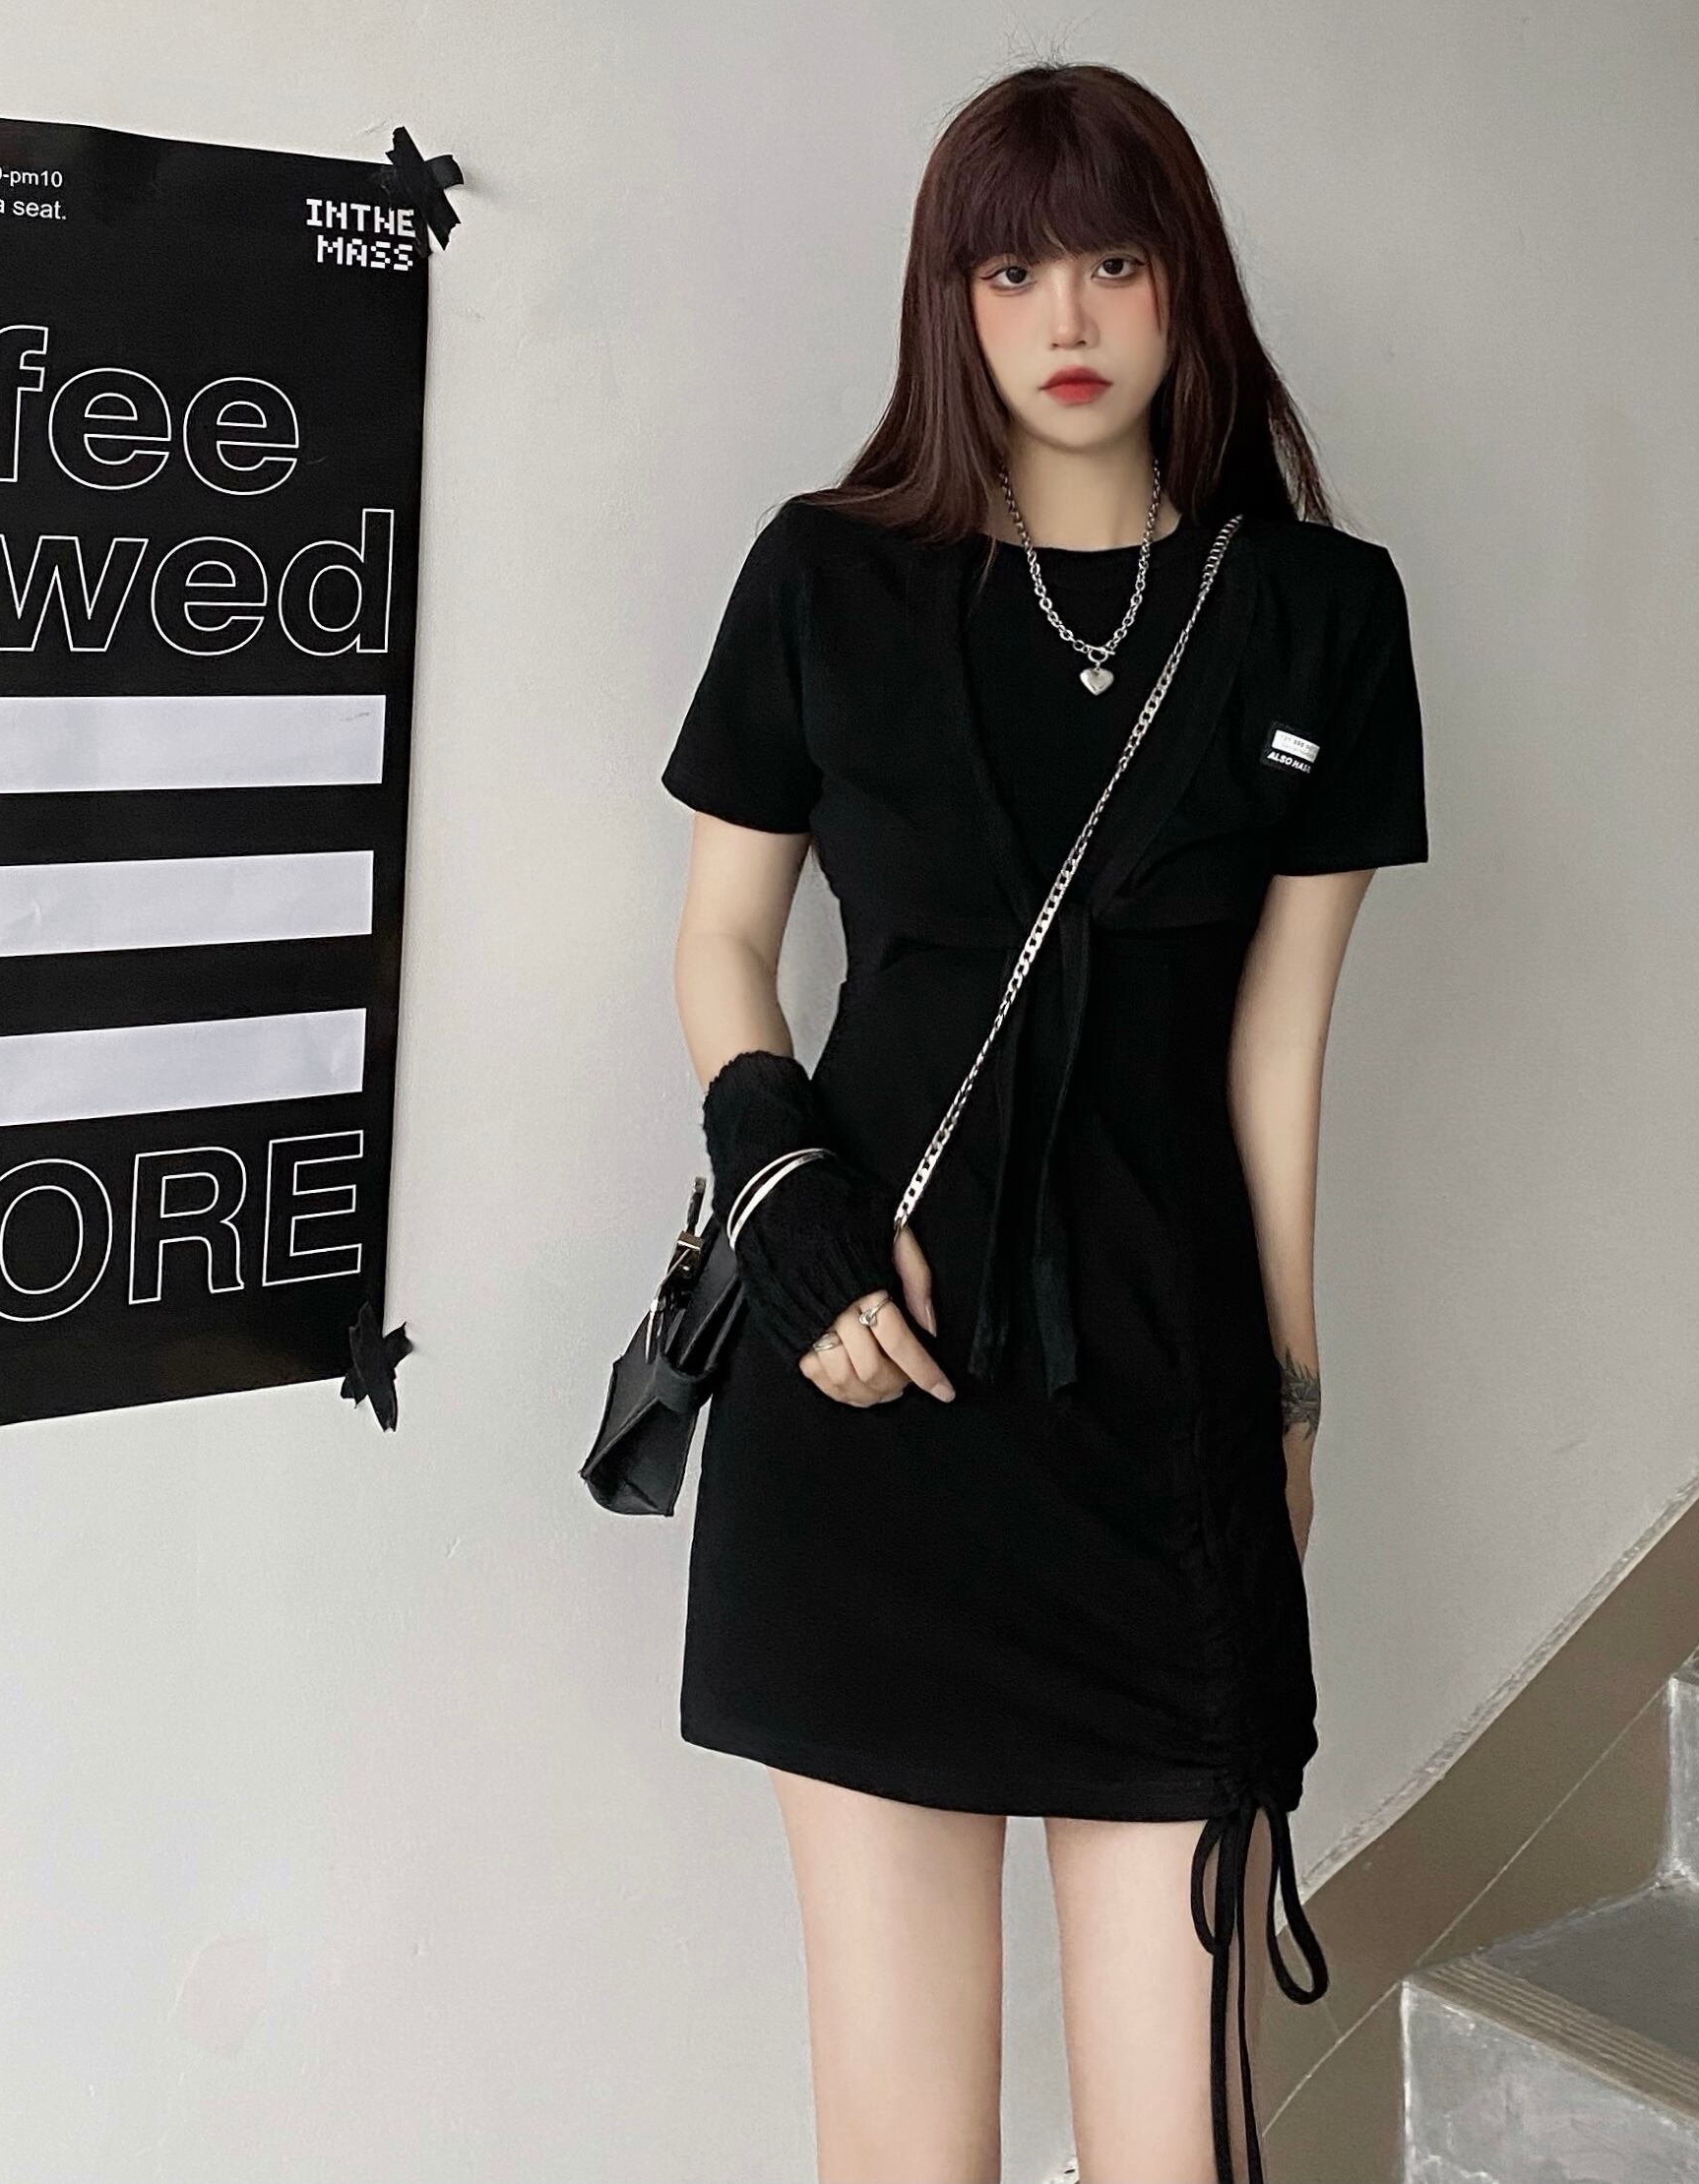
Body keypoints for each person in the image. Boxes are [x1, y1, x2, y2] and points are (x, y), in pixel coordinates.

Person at [660, 60, 1428, 2184]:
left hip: (1162, 1421)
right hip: (867, 1409)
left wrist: (1289, 1402)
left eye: (1111, 259)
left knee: (1178, 2146)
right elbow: (723, 943)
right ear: (953, 301)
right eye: (1010, 271)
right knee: (905, 2144)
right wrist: (787, 1207)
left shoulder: (1318, 614)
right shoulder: (827, 578)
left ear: (1187, 282)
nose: (1065, 317)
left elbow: (1275, 1056)